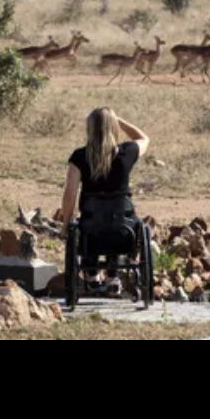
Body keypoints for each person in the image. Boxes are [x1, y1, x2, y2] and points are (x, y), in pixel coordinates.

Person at [57, 108, 150, 294]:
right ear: (113, 127)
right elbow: (144, 138)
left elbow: (70, 195)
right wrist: (119, 120)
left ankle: (91, 273)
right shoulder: (127, 152)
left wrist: (66, 223)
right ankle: (112, 275)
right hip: (124, 230)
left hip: (91, 228)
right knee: (119, 221)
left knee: (86, 225)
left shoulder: (80, 157)